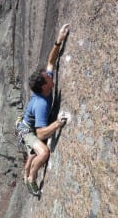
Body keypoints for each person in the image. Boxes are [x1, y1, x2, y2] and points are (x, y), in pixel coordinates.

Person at [16, 24, 70, 196]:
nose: (50, 75)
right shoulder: (42, 104)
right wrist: (57, 124)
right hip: (26, 130)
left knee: (33, 152)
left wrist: (58, 41)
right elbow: (40, 134)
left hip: (26, 124)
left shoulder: (44, 87)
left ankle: (25, 173)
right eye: (48, 78)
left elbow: (50, 61)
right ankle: (31, 178)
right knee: (43, 151)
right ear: (43, 87)